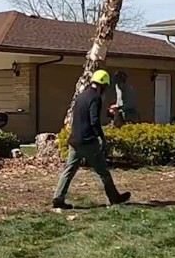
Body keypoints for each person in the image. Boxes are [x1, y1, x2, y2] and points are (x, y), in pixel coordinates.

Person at [52, 70, 130, 209]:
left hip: (75, 140)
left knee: (69, 170)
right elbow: (94, 120)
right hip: (88, 141)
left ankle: (58, 197)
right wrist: (101, 137)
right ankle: (114, 197)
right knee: (102, 171)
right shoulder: (95, 98)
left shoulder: (81, 96)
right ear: (102, 85)